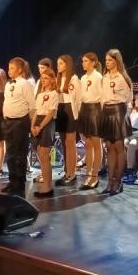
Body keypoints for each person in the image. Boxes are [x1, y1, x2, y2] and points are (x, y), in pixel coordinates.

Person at [100, 49, 133, 195]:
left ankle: (118, 181)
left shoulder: (123, 78)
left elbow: (129, 98)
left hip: (119, 111)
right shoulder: (104, 78)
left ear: (116, 61)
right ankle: (110, 181)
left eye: (110, 60)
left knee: (119, 146)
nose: (107, 63)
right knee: (109, 147)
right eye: (106, 60)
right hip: (107, 111)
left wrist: (124, 113)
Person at [1, 57, 36, 196]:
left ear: (20, 70)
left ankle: (20, 183)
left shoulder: (25, 84)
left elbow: (32, 105)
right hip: (8, 122)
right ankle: (12, 181)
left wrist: (32, 124)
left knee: (19, 154)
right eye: (8, 68)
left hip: (20, 122)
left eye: (12, 68)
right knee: (10, 154)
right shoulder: (8, 84)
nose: (9, 71)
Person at [77, 52, 104, 190]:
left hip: (95, 109)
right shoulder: (83, 78)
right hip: (85, 109)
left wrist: (102, 115)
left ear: (93, 62)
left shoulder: (98, 77)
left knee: (96, 144)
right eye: (83, 61)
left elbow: (102, 97)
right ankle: (88, 174)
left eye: (86, 61)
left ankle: (95, 176)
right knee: (87, 144)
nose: (83, 63)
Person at [31, 67, 59, 197]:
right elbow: (36, 112)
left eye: (46, 78)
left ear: (52, 80)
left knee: (44, 155)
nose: (43, 80)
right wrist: (32, 126)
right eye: (42, 78)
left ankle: (47, 187)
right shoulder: (40, 94)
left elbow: (51, 113)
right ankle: (45, 185)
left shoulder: (54, 94)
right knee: (40, 155)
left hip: (47, 124)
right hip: (38, 123)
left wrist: (40, 127)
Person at [55, 54, 81, 186]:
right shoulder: (58, 79)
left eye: (61, 63)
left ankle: (72, 173)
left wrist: (77, 117)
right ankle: (66, 171)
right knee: (64, 144)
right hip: (60, 110)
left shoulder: (74, 79)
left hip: (70, 110)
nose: (58, 66)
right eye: (57, 64)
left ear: (67, 64)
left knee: (70, 144)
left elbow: (78, 100)